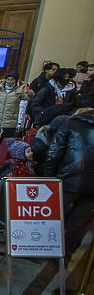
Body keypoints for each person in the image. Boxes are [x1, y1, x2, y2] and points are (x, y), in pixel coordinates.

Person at [44, 110, 94, 259]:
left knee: (54, 216)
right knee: (79, 223)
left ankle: (44, 247)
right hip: (92, 188)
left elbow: (53, 155)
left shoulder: (68, 125)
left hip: (68, 179)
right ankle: (66, 255)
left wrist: (48, 180)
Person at [0, 72, 34, 150]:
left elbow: (29, 98)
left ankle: (3, 151)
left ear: (16, 81)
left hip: (10, 117)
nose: (9, 81)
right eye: (8, 79)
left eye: (12, 80)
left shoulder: (19, 90)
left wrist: (30, 94)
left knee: (7, 138)